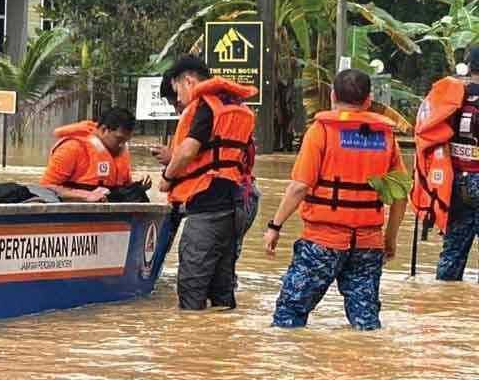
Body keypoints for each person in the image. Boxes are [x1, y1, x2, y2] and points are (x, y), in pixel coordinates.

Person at [265, 69, 407, 330]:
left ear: (332, 96)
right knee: (366, 323)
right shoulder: (386, 136)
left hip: (322, 242)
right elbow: (400, 196)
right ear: (368, 100)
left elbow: (299, 187)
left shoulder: (321, 132)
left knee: (289, 316)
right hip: (368, 243)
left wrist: (275, 226)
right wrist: (390, 238)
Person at [155, 55, 257, 310]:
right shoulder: (239, 108)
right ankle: (221, 342)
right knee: (222, 289)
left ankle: (192, 344)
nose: (178, 99)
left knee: (192, 287)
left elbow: (189, 151)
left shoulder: (204, 106)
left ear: (188, 81)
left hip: (207, 206)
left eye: (177, 90)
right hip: (235, 205)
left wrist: (168, 178)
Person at [412, 47, 479, 281]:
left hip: (454, 183)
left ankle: (445, 296)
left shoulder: (450, 97)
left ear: (469, 67)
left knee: (451, 253)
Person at [40, 107, 150, 202]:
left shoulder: (121, 151)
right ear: (103, 130)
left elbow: (124, 186)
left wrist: (137, 187)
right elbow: (45, 188)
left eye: (126, 141)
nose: (122, 145)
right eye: (119, 139)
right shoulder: (72, 148)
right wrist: (84, 196)